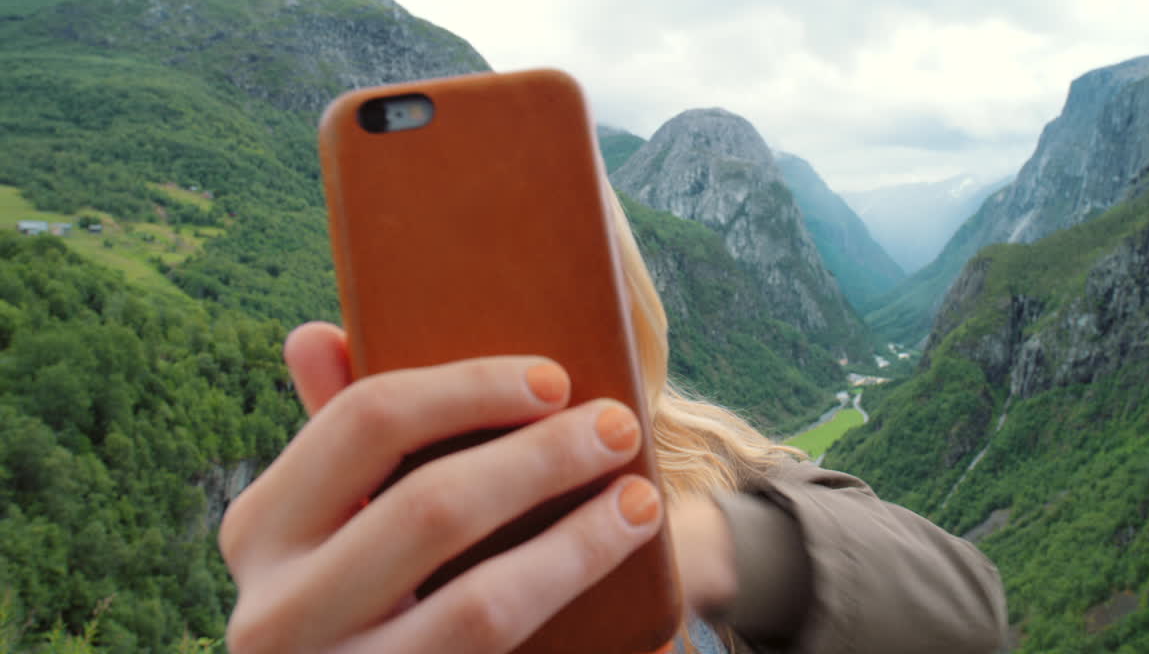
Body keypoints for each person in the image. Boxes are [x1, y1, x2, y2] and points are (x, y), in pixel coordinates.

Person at [218, 187, 1008, 653]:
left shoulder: (720, 469)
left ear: (624, 316)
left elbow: (967, 613)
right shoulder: (362, 557)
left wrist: (707, 545)